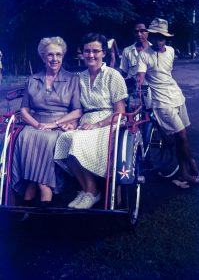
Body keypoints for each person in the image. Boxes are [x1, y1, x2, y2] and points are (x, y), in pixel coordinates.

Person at [54, 33, 128, 209]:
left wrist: (97, 125)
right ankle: (89, 189)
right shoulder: (79, 77)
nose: (91, 55)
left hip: (109, 121)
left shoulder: (112, 75)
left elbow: (120, 112)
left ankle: (92, 192)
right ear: (82, 53)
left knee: (77, 141)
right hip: (85, 121)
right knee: (65, 139)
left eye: (96, 51)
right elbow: (77, 109)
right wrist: (72, 123)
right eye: (87, 51)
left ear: (104, 53)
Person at [11, 36, 82, 206]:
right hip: (36, 123)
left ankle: (38, 189)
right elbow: (24, 110)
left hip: (59, 124)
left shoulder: (73, 79)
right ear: (43, 57)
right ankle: (40, 187)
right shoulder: (32, 80)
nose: (54, 59)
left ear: (63, 56)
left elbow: (77, 110)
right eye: (50, 55)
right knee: (24, 137)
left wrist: (55, 124)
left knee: (49, 139)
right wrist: (37, 125)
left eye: (58, 54)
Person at [137, 18, 199, 188]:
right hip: (161, 101)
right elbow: (140, 78)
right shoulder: (144, 55)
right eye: (156, 36)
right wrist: (136, 87)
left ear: (166, 38)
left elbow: (166, 74)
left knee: (181, 138)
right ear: (152, 35)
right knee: (181, 135)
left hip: (177, 96)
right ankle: (192, 166)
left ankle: (183, 174)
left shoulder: (171, 51)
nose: (159, 40)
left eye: (162, 37)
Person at [120, 18, 152, 108]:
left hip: (152, 92)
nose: (139, 34)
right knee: (135, 118)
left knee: (153, 117)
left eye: (142, 31)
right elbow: (124, 73)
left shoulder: (154, 51)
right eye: (136, 31)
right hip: (134, 93)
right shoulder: (127, 51)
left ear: (148, 32)